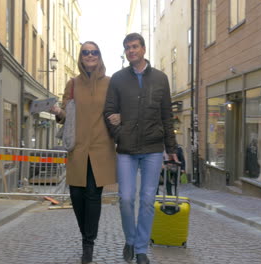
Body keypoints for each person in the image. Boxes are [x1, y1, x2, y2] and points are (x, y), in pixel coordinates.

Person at [104, 33, 178, 264]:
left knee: (147, 199)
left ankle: (141, 248)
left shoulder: (160, 78)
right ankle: (130, 239)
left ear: (143, 49)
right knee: (126, 198)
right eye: (127, 48)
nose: (131, 51)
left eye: (135, 47)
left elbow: (167, 115)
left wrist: (171, 147)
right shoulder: (117, 79)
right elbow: (108, 112)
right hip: (126, 149)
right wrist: (119, 134)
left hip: (153, 148)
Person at [50, 41, 116, 264]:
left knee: (92, 195)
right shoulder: (72, 84)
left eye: (94, 52)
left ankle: (88, 245)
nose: (90, 55)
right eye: (86, 52)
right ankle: (86, 236)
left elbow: (120, 109)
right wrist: (58, 112)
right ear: (81, 57)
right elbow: (65, 114)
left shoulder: (110, 83)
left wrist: (121, 118)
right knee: (77, 196)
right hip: (77, 149)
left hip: (100, 147)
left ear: (99, 55)